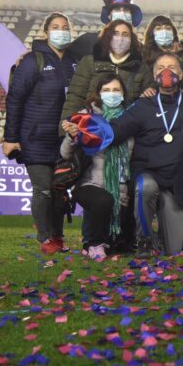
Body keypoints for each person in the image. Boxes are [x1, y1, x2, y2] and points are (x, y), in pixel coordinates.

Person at [65, 53, 183, 256]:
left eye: (171, 66)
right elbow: (114, 130)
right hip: (148, 172)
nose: (166, 72)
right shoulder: (142, 105)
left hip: (177, 178)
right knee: (144, 186)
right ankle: (143, 240)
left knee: (174, 249)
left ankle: (161, 239)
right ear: (153, 74)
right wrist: (82, 128)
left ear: (181, 72)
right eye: (161, 67)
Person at [3, 13, 78, 253]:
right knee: (43, 189)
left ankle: (58, 236)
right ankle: (45, 238)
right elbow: (15, 100)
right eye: (55, 27)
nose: (61, 31)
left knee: (59, 191)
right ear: (45, 33)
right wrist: (10, 137)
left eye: (65, 27)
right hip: (34, 138)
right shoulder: (31, 61)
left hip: (63, 140)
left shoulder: (75, 62)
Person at [60, 75, 134, 259]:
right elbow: (65, 154)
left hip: (121, 187)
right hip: (90, 183)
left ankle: (104, 241)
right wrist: (71, 137)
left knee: (118, 244)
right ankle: (93, 244)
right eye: (106, 90)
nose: (112, 94)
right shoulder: (86, 118)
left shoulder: (132, 119)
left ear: (124, 93)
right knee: (103, 200)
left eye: (116, 90)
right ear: (98, 94)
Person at [62, 20, 154, 123]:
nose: (120, 38)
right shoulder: (89, 62)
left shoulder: (141, 68)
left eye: (125, 34)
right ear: (107, 37)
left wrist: (149, 93)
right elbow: (75, 97)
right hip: (92, 126)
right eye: (115, 34)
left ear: (131, 39)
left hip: (128, 127)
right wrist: (68, 125)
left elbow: (149, 100)